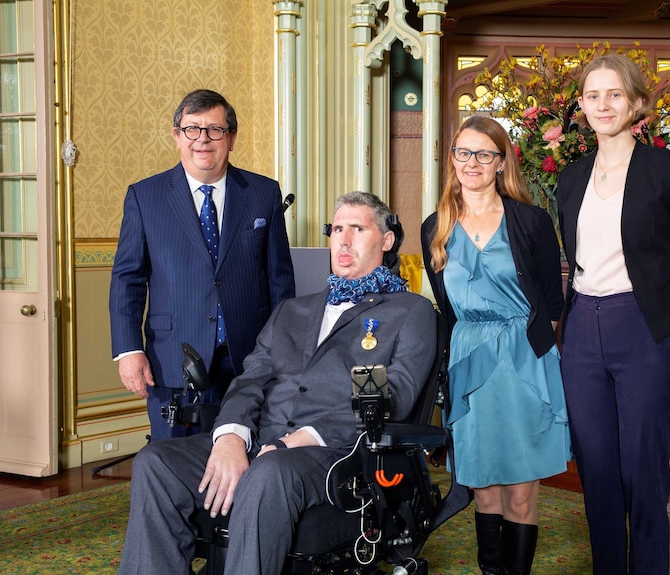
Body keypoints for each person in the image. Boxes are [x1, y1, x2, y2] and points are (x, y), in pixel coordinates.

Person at [118, 192, 437, 575]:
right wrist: (231, 437)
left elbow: (394, 396)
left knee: (270, 473)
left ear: (386, 241)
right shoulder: (293, 310)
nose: (344, 240)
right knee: (156, 462)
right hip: (262, 440)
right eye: (337, 229)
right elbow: (250, 379)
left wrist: (295, 441)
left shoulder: (410, 311)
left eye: (358, 228)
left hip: (336, 453)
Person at [556, 54, 670, 574]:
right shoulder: (570, 178)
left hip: (643, 329)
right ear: (582, 106)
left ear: (637, 102)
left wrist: (663, 330)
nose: (603, 104)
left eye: (615, 94)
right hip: (581, 335)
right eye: (593, 95)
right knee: (596, 473)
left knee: (643, 474)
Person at [421, 115, 571, 575]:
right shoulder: (435, 227)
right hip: (469, 360)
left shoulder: (530, 221)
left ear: (501, 162)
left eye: (484, 154)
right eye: (463, 152)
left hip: (525, 357)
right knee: (484, 488)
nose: (473, 162)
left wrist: (530, 346)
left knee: (522, 491)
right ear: (452, 159)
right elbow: (445, 309)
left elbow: (550, 300)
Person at [109, 89, 295, 440]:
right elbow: (127, 280)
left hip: (249, 359)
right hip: (173, 358)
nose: (203, 140)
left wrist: (281, 354)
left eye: (215, 130)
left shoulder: (263, 193)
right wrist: (129, 351)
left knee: (246, 462)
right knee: (173, 468)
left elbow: (280, 283)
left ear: (232, 138)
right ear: (177, 136)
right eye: (192, 129)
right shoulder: (144, 196)